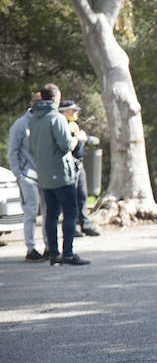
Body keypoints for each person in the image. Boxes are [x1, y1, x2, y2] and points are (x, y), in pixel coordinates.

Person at [28, 84, 89, 265]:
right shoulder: (57, 118)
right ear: (55, 99)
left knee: (51, 215)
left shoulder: (34, 119)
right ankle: (68, 254)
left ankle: (53, 253)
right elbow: (65, 145)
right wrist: (77, 138)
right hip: (61, 174)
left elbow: (32, 147)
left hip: (44, 175)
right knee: (70, 212)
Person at [7, 91, 49, 261]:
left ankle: (49, 246)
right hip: (27, 176)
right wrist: (18, 175)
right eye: (37, 101)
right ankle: (31, 249)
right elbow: (13, 152)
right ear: (31, 103)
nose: (40, 104)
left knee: (49, 212)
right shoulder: (20, 125)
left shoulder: (46, 121)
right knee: (30, 212)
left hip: (46, 175)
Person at [60, 100, 101, 237]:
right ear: (65, 112)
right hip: (69, 166)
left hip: (79, 164)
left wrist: (85, 139)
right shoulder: (62, 125)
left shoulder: (73, 125)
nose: (76, 113)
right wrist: (79, 139)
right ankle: (72, 227)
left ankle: (85, 224)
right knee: (70, 198)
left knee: (82, 196)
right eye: (73, 110)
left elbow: (86, 140)